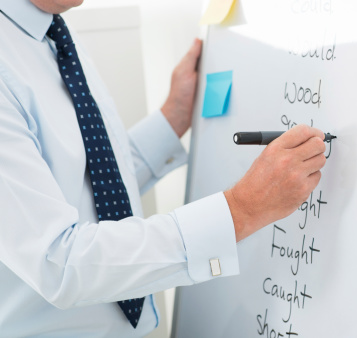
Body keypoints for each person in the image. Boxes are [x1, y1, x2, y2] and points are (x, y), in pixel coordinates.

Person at [0, 0, 327, 336]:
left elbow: (90, 188)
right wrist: (241, 209)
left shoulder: (52, 30)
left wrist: (172, 119)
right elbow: (58, 263)